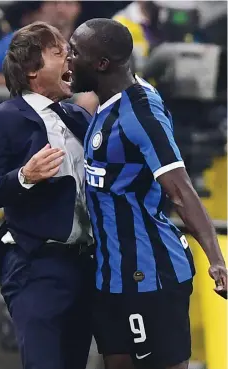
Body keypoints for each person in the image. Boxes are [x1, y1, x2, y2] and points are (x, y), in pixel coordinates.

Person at [69, 18, 227, 369]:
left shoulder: (141, 114)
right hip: (109, 276)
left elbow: (181, 191)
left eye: (74, 52)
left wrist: (216, 259)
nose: (67, 58)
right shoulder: (105, 102)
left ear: (102, 64)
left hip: (150, 274)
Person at [0, 22, 94, 369]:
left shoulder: (79, 118)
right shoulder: (0, 119)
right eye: (59, 52)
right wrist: (25, 176)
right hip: (36, 264)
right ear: (31, 69)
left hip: (85, 264)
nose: (70, 57)